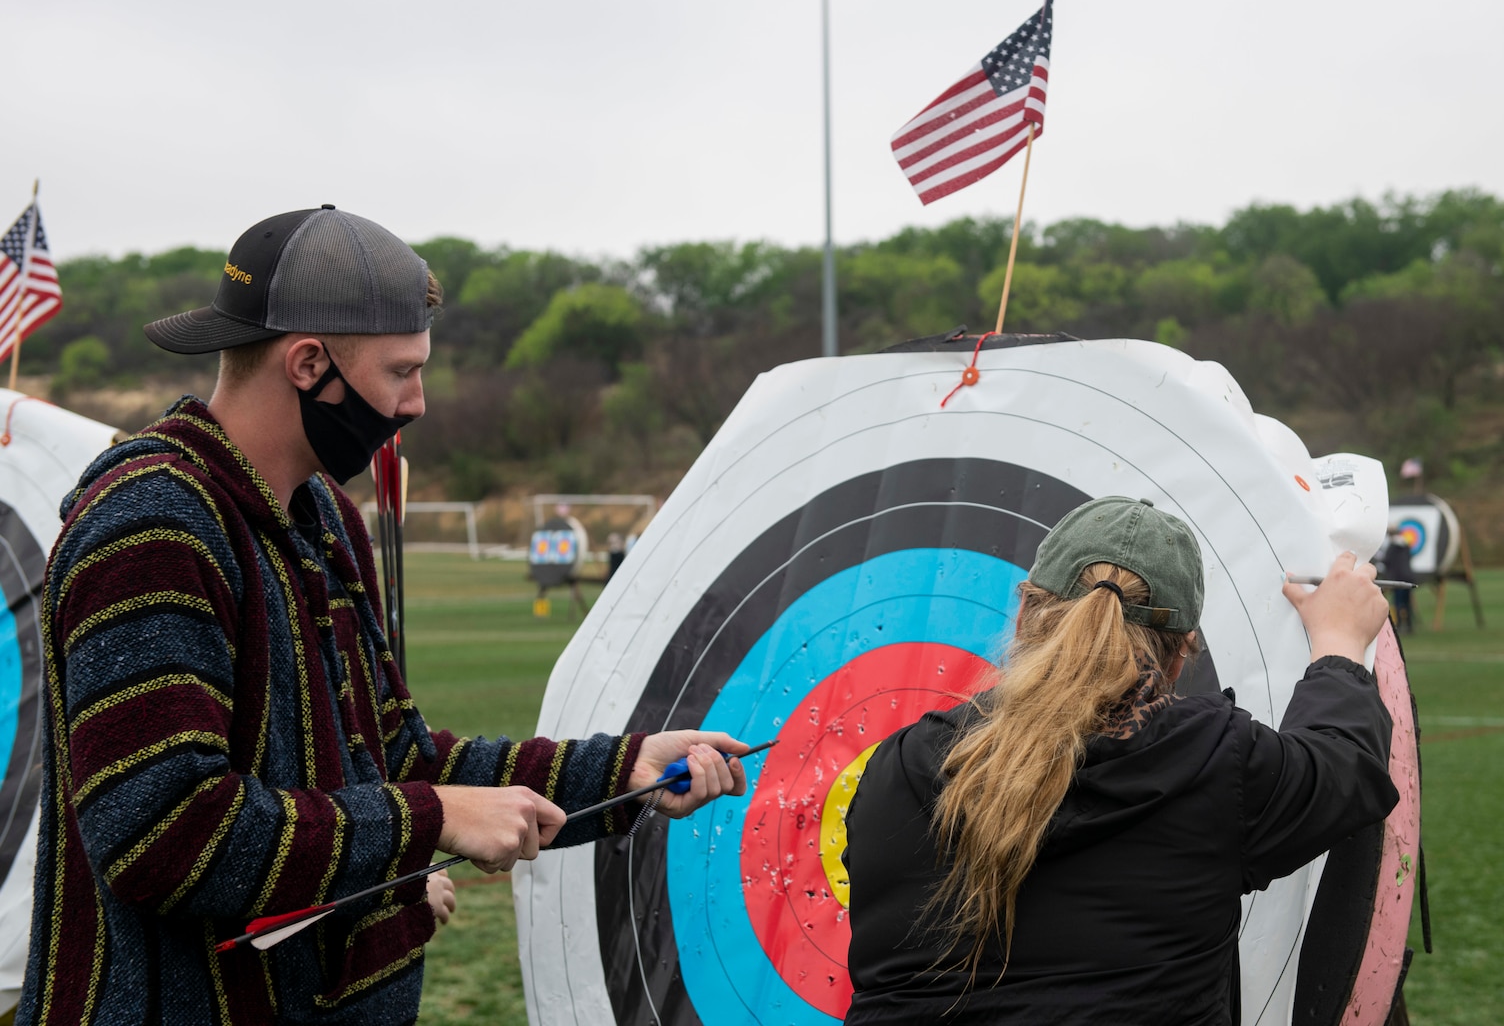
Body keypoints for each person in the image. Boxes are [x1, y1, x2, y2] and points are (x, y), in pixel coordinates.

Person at [17, 206, 749, 1025]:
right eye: (402, 371)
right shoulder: (151, 522)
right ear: (307, 364)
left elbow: (398, 757)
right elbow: (163, 835)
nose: (419, 402)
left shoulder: (322, 516)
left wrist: (624, 773)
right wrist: (431, 818)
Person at [842, 496, 1398, 1025]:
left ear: (1025, 614)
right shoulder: (1213, 761)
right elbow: (1345, 767)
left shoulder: (898, 766)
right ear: (1181, 655)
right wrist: (1339, 643)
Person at [1381, 526, 1417, 634]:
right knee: (1406, 603)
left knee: (1398, 603)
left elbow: (1386, 560)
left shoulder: (1392, 546)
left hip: (1398, 578)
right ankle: (1409, 626)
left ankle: (1400, 626)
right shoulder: (1406, 544)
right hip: (1408, 577)